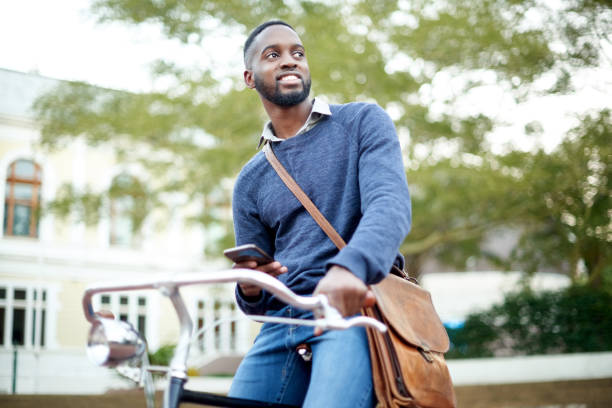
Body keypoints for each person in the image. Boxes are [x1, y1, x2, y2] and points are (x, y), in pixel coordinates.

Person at [229, 20, 411, 407]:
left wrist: (350, 268)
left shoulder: (362, 122)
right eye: (273, 55)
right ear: (249, 77)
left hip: (352, 306)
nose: (289, 61)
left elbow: (390, 206)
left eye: (298, 53)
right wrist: (249, 285)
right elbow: (256, 287)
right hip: (283, 320)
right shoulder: (249, 180)